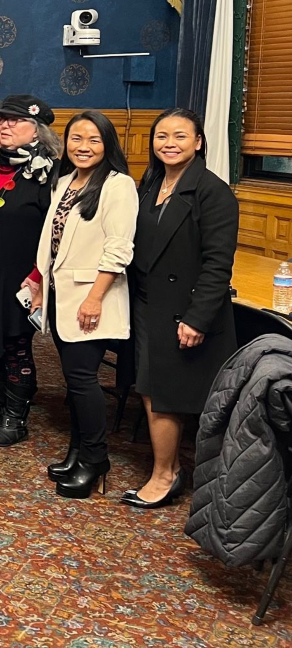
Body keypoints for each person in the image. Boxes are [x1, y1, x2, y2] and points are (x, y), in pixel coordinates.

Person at [124, 108, 238, 509]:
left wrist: (197, 317)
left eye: (180, 136)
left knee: (164, 392)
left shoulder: (213, 191)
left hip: (185, 312)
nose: (169, 144)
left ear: (199, 142)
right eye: (161, 137)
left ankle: (165, 475)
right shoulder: (151, 182)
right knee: (151, 388)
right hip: (147, 303)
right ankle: (168, 467)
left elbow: (218, 263)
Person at [25, 110, 137, 498]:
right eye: (76, 138)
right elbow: (52, 242)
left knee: (85, 381)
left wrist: (94, 297)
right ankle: (77, 452)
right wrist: (40, 282)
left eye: (93, 139)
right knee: (74, 381)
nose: (83, 147)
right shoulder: (66, 180)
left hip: (93, 300)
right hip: (61, 294)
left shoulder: (118, 185)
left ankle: (96, 461)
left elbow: (119, 249)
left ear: (107, 144)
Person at [0, 95, 60, 448]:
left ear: (37, 130)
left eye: (16, 122)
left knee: (16, 346)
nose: (6, 126)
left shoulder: (49, 173)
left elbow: (55, 233)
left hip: (21, 278)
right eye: (2, 120)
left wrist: (39, 279)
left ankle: (14, 418)